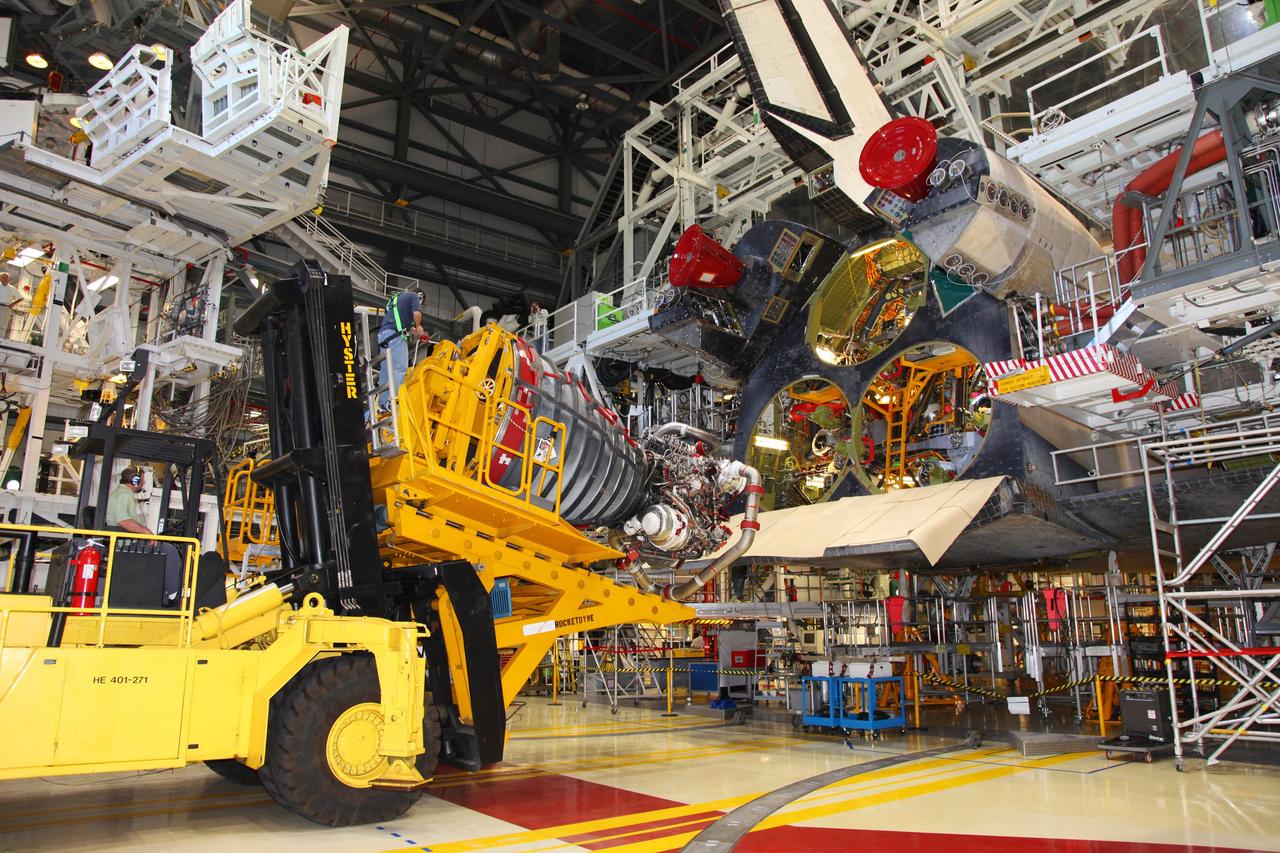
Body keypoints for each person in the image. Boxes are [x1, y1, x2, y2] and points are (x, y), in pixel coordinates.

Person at [106, 465, 182, 606]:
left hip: (128, 542)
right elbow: (124, 521)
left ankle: (164, 591)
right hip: (128, 545)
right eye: (141, 480)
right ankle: (174, 594)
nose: (143, 483)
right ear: (134, 480)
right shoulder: (124, 494)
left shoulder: (121, 493)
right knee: (170, 551)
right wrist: (147, 532)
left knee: (162, 548)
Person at [378, 289, 429, 409]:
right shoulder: (414, 296)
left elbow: (403, 325)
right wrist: (418, 325)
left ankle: (383, 404)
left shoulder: (398, 299)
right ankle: (393, 401)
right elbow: (417, 314)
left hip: (385, 336)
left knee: (386, 371)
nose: (420, 304)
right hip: (396, 337)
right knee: (400, 369)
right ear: (420, 296)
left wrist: (418, 333)